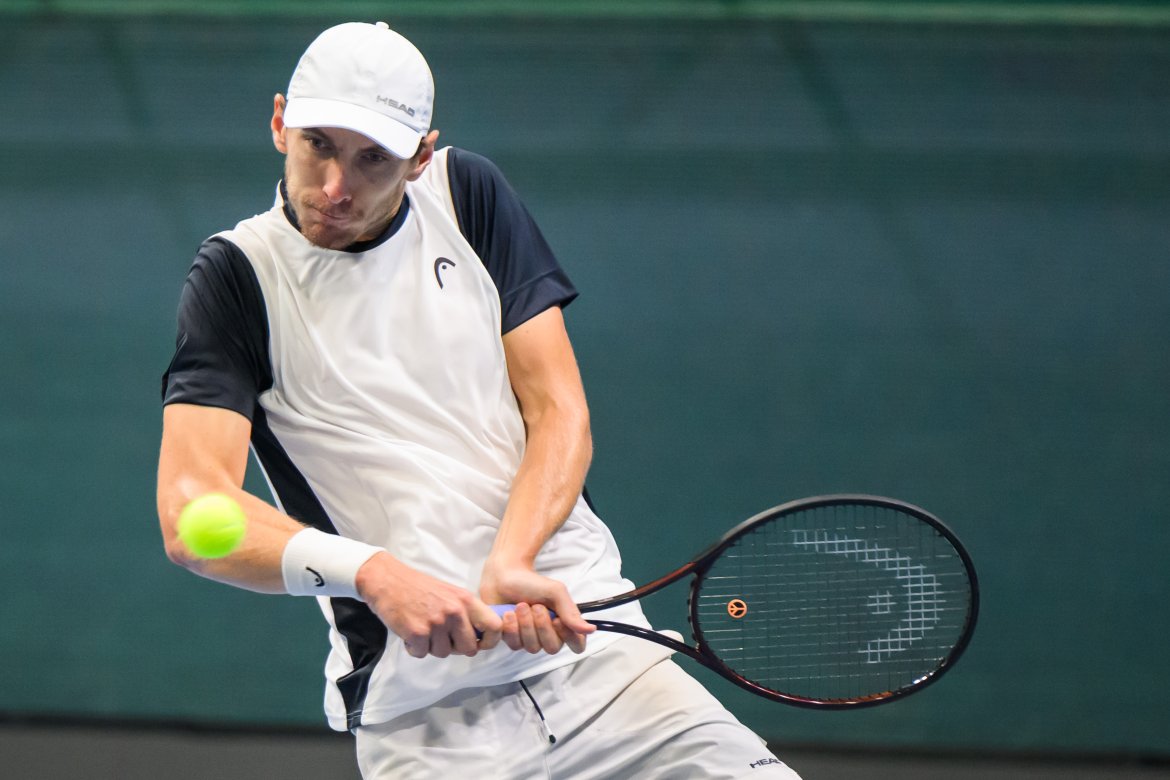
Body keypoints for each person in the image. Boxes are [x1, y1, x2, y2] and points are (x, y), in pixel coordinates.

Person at [157, 20, 800, 779]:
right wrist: (374, 573)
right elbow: (191, 512)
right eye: (318, 145)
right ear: (278, 124)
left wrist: (513, 559)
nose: (336, 186)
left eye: (373, 159)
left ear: (422, 156)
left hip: (603, 664)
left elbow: (557, 409)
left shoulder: (468, 195)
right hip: (425, 723)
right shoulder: (237, 276)